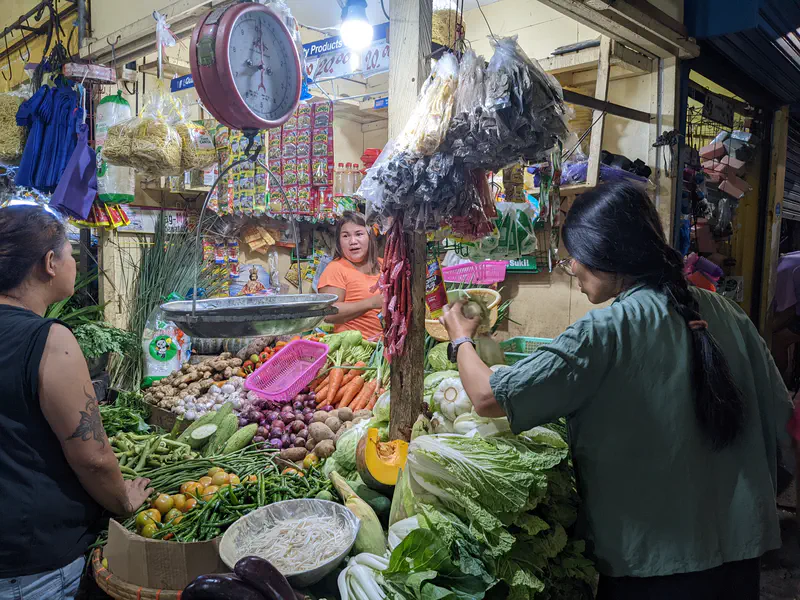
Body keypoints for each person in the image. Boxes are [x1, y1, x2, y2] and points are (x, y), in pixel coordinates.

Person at [440, 181, 793, 600]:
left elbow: (487, 397)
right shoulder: (727, 312)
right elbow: (782, 421)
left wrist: (461, 338)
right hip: (740, 553)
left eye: (574, 258)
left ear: (606, 255)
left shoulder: (602, 332)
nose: (571, 269)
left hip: (652, 564)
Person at [0, 201, 153, 599]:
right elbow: (94, 457)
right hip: (33, 562)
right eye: (70, 251)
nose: (74, 262)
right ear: (50, 262)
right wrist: (125, 501)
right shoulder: (49, 340)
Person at [318, 211, 383, 340]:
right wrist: (370, 303)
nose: (353, 241)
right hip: (356, 351)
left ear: (370, 237)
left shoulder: (384, 264)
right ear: (339, 241)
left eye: (359, 234)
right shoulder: (336, 269)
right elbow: (328, 314)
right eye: (346, 236)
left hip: (386, 349)